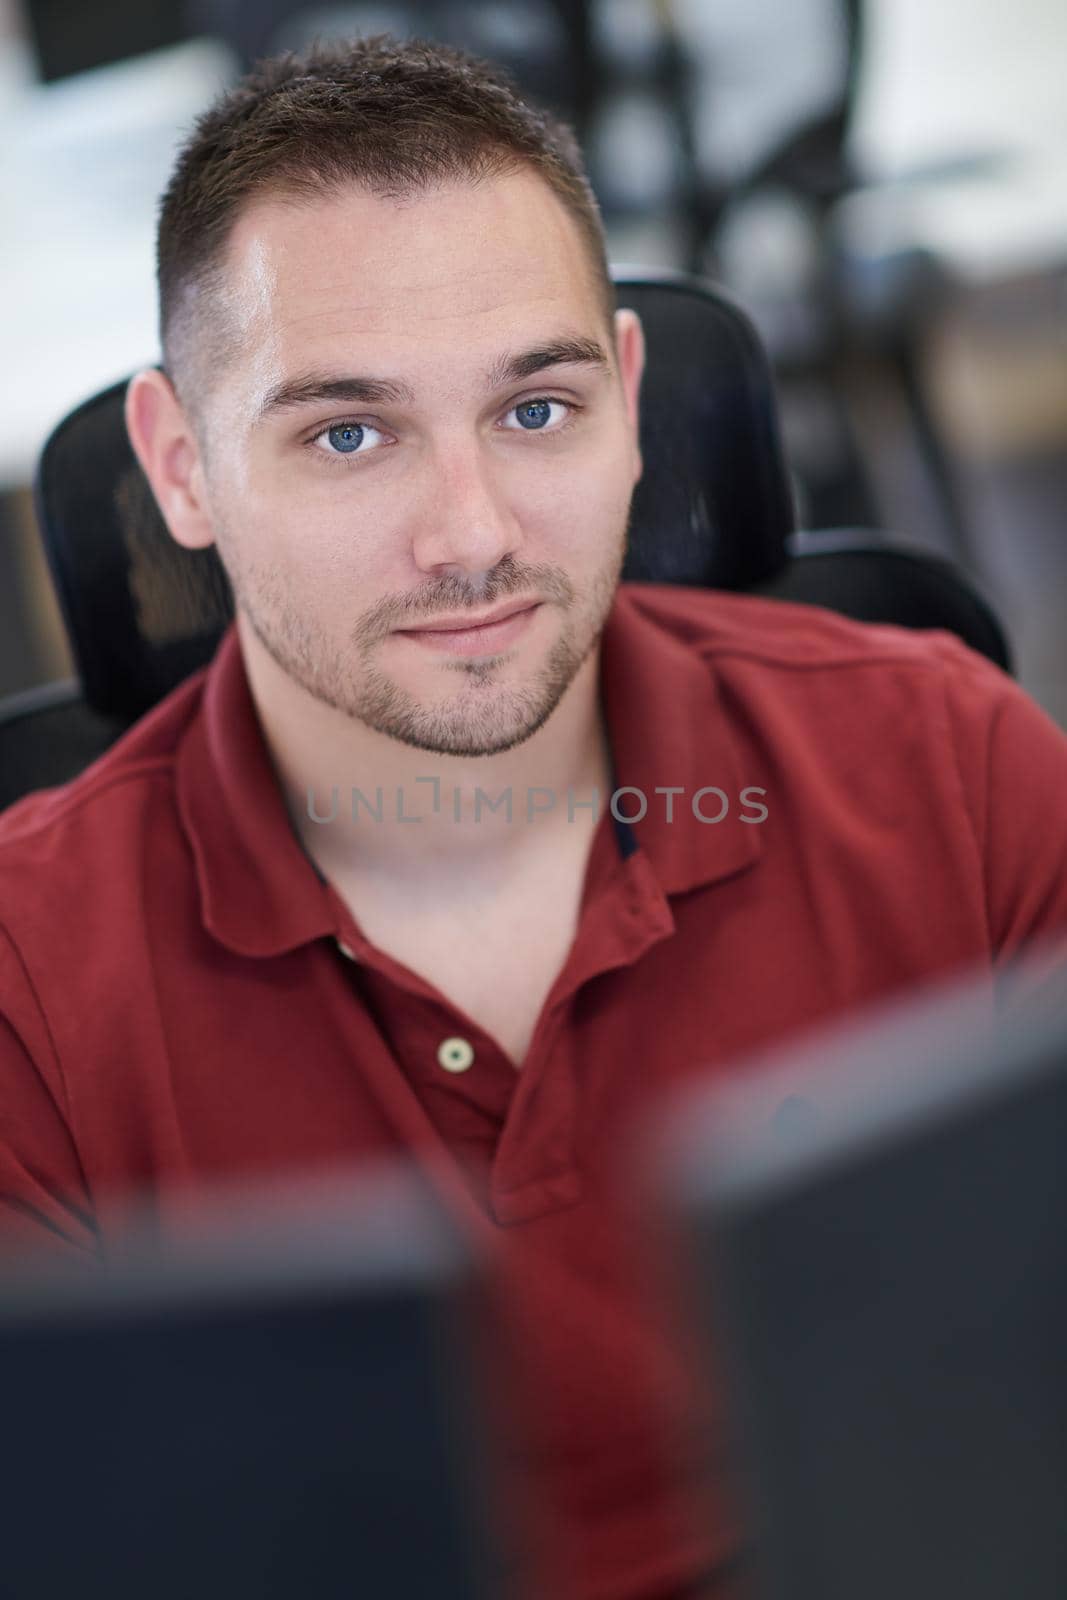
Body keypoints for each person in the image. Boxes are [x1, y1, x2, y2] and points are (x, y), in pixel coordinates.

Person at [2, 32, 1067, 1600]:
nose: (473, 537)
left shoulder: (947, 759)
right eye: (347, 434)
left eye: (538, 410)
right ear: (182, 471)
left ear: (631, 405)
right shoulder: (29, 989)